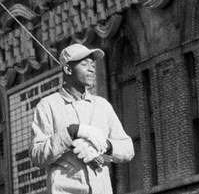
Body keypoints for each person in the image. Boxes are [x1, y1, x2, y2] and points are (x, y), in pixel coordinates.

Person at [30, 43, 134, 194]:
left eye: (92, 64)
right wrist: (71, 132)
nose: (91, 69)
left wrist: (106, 146)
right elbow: (36, 155)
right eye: (84, 64)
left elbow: (128, 149)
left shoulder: (102, 105)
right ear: (67, 69)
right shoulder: (47, 106)